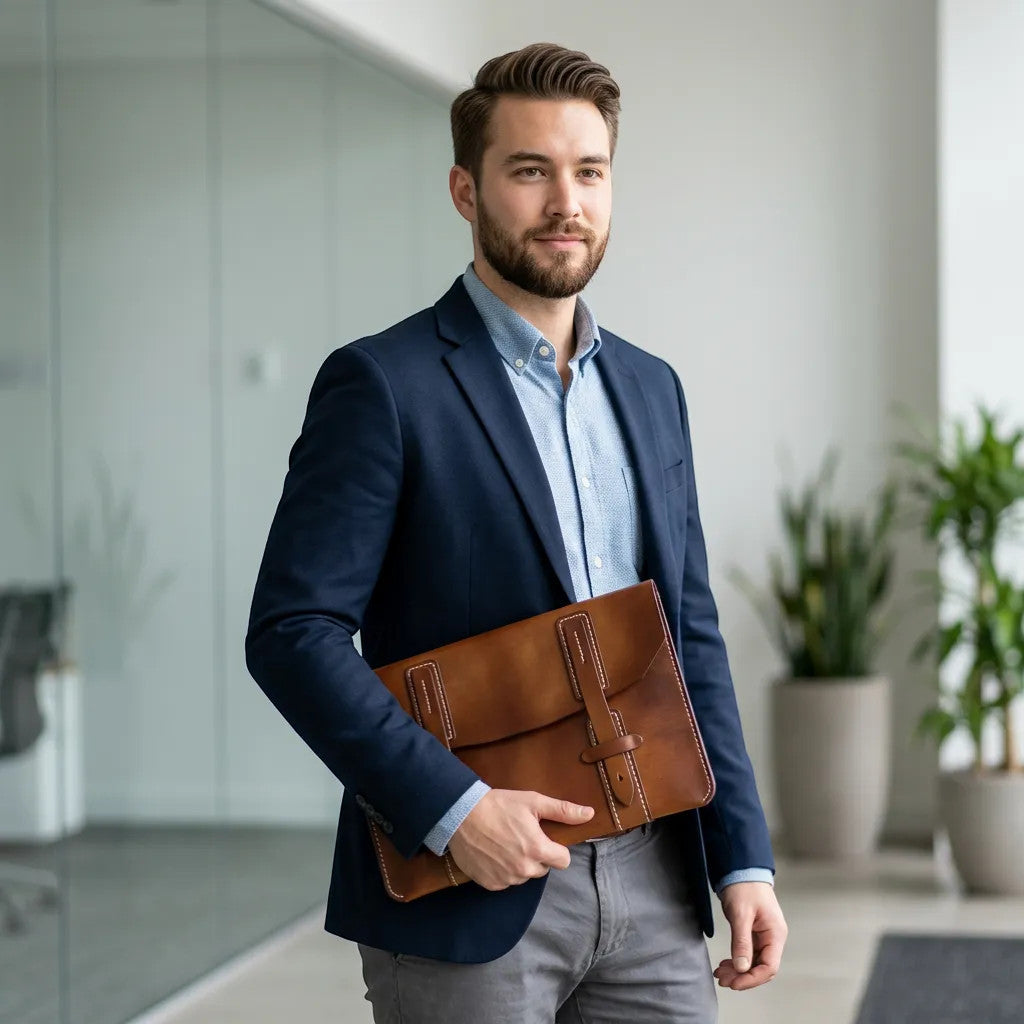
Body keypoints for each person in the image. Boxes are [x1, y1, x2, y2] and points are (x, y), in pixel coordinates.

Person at [246, 41, 786, 1024]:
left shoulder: (651, 388)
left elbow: (687, 630)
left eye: (588, 171)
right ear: (466, 189)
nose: (564, 202)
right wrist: (454, 811)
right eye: (529, 170)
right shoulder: (384, 384)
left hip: (657, 875)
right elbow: (293, 631)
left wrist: (739, 852)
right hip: (468, 886)